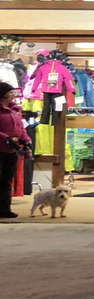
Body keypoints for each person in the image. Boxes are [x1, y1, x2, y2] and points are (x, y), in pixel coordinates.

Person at [0, 82, 33, 220]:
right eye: (11, 92)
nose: (14, 94)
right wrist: (6, 138)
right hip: (2, 148)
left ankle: (5, 209)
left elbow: (21, 128)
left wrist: (26, 140)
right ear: (4, 94)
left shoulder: (15, 110)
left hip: (11, 150)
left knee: (7, 181)